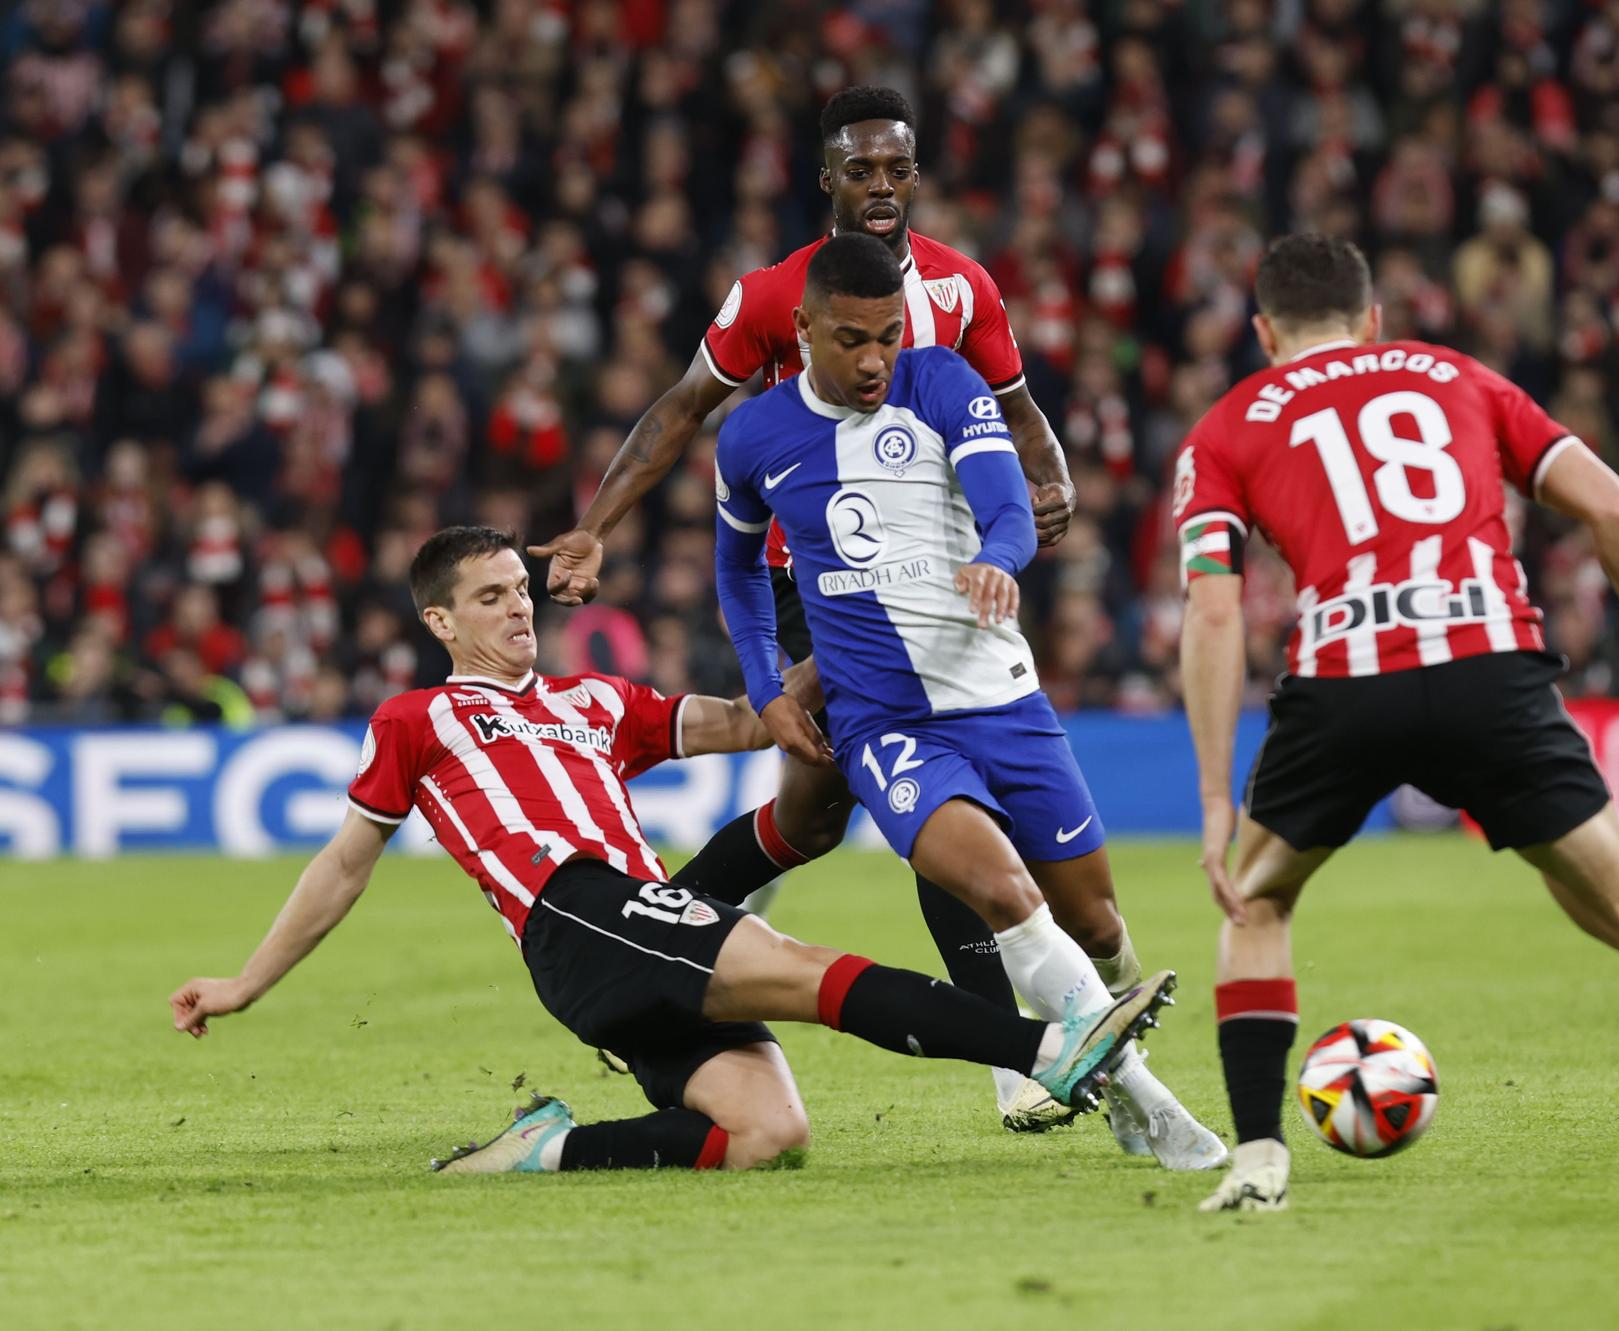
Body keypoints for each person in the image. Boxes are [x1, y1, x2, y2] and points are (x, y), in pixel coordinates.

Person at [1176, 235, 1619, 1212]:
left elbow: (1213, 608)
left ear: (1263, 332)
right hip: (1488, 667)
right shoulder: (1460, 376)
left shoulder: (1225, 427)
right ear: (1372, 317)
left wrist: (1219, 797)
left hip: (1347, 676)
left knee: (1255, 904)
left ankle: (1259, 1157)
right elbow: (1611, 507)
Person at [168, 525, 1175, 1174]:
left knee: (766, 1133)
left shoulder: (597, 702)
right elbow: (345, 859)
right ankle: (1051, 1048)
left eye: (520, 588)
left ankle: (540, 1150)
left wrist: (866, 627)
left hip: (629, 931)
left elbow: (748, 718)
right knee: (795, 966)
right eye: (489, 597)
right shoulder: (418, 718)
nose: (518, 605)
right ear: (439, 620)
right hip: (577, 911)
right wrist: (248, 980)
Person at [528, 86, 1082, 1132]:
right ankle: (1009, 1051)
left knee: (809, 816)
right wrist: (594, 522)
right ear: (823, 178)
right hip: (817, 581)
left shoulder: (963, 290)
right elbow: (682, 409)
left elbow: (1014, 405)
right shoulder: (771, 296)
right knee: (921, 785)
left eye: (895, 169)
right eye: (858, 170)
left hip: (941, 571)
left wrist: (1048, 476)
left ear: (916, 175)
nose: (879, 188)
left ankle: (652, 939)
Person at [709, 234, 1225, 1170]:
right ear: (804, 329)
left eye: (888, 338)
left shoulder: (944, 381)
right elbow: (738, 566)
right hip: (884, 723)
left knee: (1101, 928)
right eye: (852, 339)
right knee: (1004, 894)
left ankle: (1107, 1071)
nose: (874, 361)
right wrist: (761, 683)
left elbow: (1010, 506)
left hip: (1003, 700)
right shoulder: (752, 435)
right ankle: (1156, 1112)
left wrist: (997, 554)